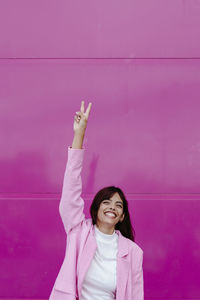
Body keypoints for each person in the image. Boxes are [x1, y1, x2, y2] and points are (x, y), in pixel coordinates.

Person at [49, 101, 144, 300]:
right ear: (96, 209)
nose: (112, 208)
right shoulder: (78, 231)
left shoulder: (133, 252)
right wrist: (79, 135)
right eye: (106, 202)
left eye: (118, 205)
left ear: (122, 216)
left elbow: (135, 296)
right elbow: (71, 189)